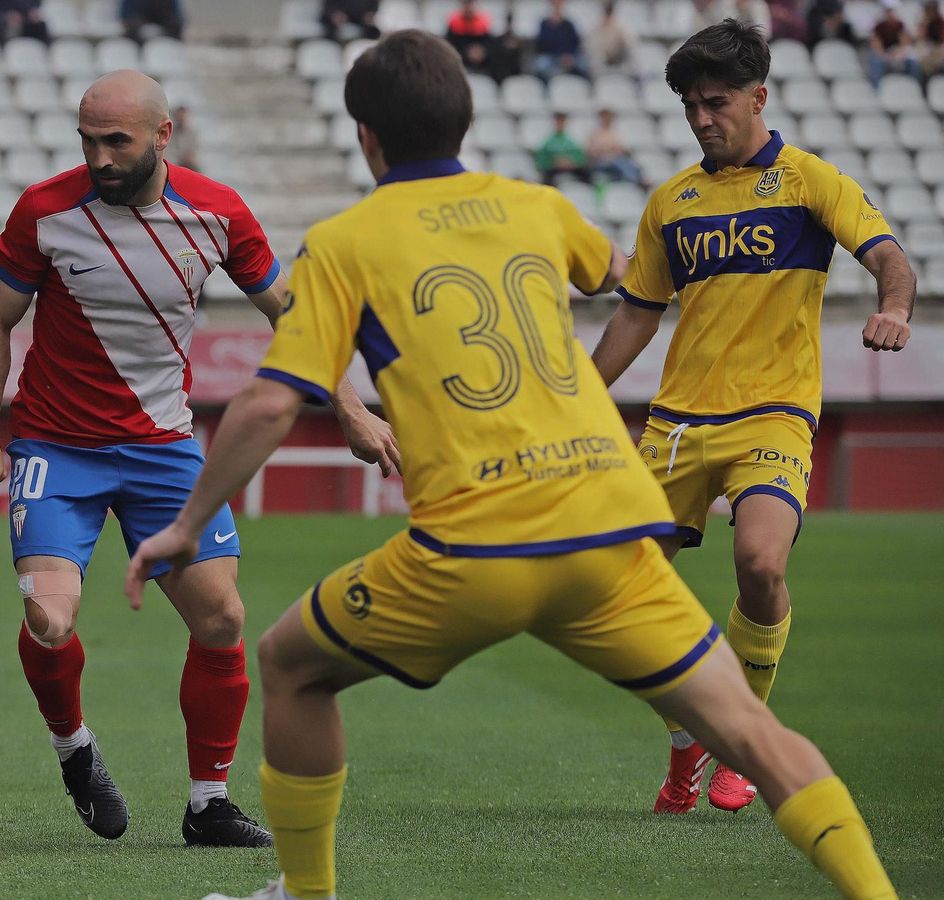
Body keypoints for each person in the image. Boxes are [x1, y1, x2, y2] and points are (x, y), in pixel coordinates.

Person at [126, 29, 898, 900]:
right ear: (466, 120)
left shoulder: (345, 243)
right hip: (609, 534)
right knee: (755, 736)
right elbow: (614, 271)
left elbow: (271, 401)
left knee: (291, 665)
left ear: (366, 138)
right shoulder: (537, 208)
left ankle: (304, 893)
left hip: (475, 547)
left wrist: (186, 527)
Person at [0, 69, 397, 851]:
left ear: (163, 136)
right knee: (49, 620)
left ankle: (208, 805)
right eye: (87, 140)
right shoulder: (45, 211)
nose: (98, 157)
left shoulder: (219, 213)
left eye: (115, 141)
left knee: (223, 618)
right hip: (57, 448)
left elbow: (293, 321)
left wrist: (355, 410)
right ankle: (74, 749)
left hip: (164, 449)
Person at [590, 20, 914, 825]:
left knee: (761, 564)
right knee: (618, 591)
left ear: (758, 97)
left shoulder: (809, 181)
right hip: (675, 422)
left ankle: (743, 738)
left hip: (773, 411)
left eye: (717, 101)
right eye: (690, 106)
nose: (702, 118)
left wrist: (895, 309)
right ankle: (687, 737)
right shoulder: (672, 201)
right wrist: (583, 394)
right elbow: (637, 314)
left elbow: (888, 257)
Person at [868, 0, 921, 85]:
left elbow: (905, 43)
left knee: (912, 62)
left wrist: (899, 53)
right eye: (888, 11)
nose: (890, 13)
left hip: (896, 52)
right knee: (877, 62)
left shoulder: (899, 25)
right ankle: (877, 88)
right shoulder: (878, 26)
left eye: (891, 11)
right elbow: (876, 45)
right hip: (883, 53)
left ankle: (914, 85)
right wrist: (887, 55)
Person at [586, 108, 643, 185]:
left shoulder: (615, 132)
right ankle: (634, 180)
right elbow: (591, 152)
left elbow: (621, 149)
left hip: (615, 160)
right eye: (605, 117)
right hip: (602, 162)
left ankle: (635, 178)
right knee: (621, 163)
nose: (608, 119)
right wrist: (607, 150)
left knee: (628, 163)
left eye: (609, 117)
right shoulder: (595, 133)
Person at [534, 112, 591, 185]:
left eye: (562, 121)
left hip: (571, 167)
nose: (560, 124)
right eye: (558, 121)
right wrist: (553, 162)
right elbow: (541, 159)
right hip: (553, 168)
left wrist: (571, 162)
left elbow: (580, 157)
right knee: (546, 177)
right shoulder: (548, 141)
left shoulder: (571, 141)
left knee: (586, 173)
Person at [534, 0, 586, 79]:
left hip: (567, 56)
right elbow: (542, 44)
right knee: (541, 63)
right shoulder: (544, 24)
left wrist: (568, 56)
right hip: (551, 56)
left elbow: (574, 43)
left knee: (583, 63)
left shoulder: (568, 24)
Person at [586, 1, 635, 77]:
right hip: (601, 62)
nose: (607, 18)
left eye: (609, 15)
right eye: (606, 15)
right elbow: (591, 48)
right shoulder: (595, 29)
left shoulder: (619, 28)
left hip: (618, 60)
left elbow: (629, 44)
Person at [445, 0, 493, 72]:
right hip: (460, 63)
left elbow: (489, 44)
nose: (469, 7)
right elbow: (449, 46)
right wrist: (466, 53)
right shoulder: (454, 24)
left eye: (471, 3)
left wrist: (481, 51)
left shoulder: (483, 24)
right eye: (466, 4)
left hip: (482, 66)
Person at [167, 105, 201, 170]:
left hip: (187, 162)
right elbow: (169, 152)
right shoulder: (170, 132)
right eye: (179, 117)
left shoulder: (192, 133)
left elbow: (194, 151)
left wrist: (188, 157)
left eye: (183, 117)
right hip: (174, 162)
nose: (181, 119)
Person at [922, 0, 944, 76]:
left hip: (938, 49)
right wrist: (926, 23)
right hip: (928, 50)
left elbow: (941, 41)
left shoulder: (941, 22)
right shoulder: (924, 22)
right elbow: (920, 38)